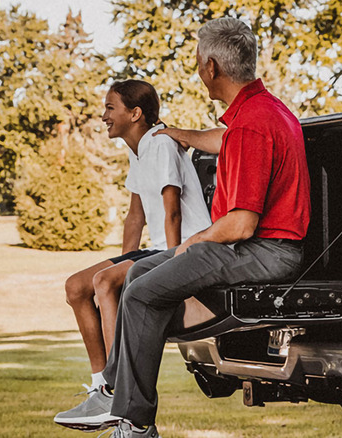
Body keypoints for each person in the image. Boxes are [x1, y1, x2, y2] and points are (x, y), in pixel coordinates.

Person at [55, 17, 311, 438]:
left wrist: (189, 245)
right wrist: (181, 134)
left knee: (136, 293)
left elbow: (241, 223)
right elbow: (224, 140)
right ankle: (114, 394)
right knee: (139, 275)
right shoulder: (267, 110)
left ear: (211, 67)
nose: (197, 67)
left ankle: (134, 423)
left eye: (197, 60)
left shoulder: (251, 123)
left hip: (263, 250)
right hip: (263, 247)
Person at [58, 79, 212, 405]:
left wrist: (171, 263)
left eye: (110, 108)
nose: (103, 116)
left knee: (104, 282)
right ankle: (101, 385)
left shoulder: (161, 144)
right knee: (76, 287)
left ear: (135, 113)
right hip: (156, 248)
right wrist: (124, 263)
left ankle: (118, 390)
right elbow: (135, 217)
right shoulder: (138, 150)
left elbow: (172, 210)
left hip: (185, 245)